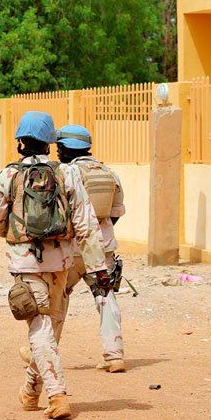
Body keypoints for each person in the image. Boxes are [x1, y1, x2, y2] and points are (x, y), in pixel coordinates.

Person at [0, 111, 108, 419]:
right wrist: (97, 267)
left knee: (40, 329)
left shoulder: (9, 175)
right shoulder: (67, 173)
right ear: (50, 143)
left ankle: (57, 396)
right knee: (50, 327)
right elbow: (86, 222)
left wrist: (15, 234)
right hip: (61, 262)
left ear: (20, 142)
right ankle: (30, 391)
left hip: (25, 262)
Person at [56, 124, 126, 373]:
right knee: (106, 296)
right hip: (103, 247)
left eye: (58, 148)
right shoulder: (108, 172)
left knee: (57, 296)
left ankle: (43, 350)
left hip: (72, 248)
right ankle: (114, 356)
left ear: (65, 149)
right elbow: (116, 212)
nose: (57, 153)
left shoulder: (65, 172)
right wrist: (98, 232)